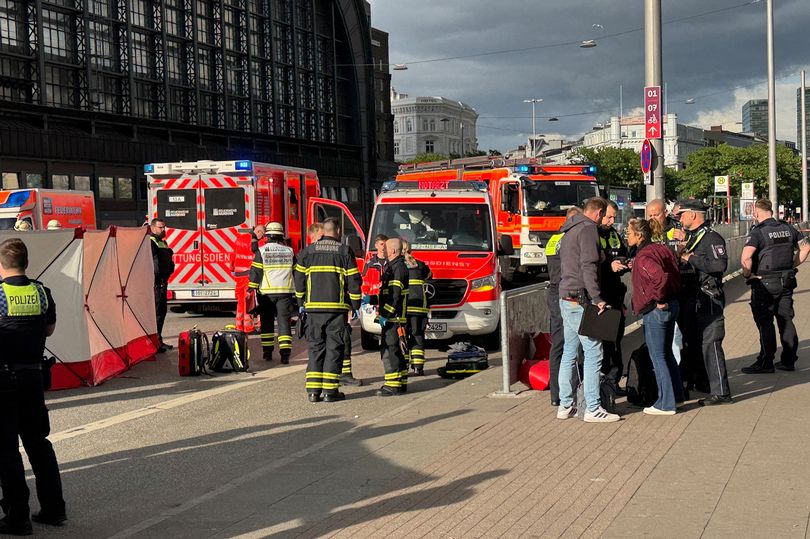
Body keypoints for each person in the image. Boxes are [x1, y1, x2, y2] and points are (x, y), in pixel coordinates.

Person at [0, 238, 66, 535]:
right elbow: (49, 329)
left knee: (7, 450)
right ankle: (54, 509)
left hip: (3, 380)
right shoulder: (40, 291)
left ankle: (18, 516)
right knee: (39, 443)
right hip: (34, 377)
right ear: (25, 263)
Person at [557, 197, 620, 422]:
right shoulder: (588, 229)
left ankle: (565, 405)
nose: (607, 220)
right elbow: (588, 265)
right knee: (594, 352)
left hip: (566, 297)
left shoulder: (570, 229)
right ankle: (592, 408)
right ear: (598, 213)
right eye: (606, 215)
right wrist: (597, 298)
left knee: (569, 352)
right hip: (581, 299)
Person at [294, 218, 361, 402]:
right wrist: (355, 305)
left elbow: (298, 280)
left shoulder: (308, 252)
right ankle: (330, 392)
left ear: (322, 231)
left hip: (313, 310)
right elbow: (354, 281)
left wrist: (301, 302)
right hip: (336, 310)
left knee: (315, 348)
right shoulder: (344, 251)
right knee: (334, 348)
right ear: (338, 231)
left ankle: (313, 392)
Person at [741, 199, 810, 373]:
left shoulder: (758, 232)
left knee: (765, 323)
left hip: (764, 282)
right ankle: (788, 361)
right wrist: (792, 266)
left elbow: (746, 258)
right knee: (786, 320)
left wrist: (747, 274)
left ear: (756, 213)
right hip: (786, 281)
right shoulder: (788, 228)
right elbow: (806, 248)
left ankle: (766, 363)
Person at [675, 199, 732, 406]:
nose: (680, 219)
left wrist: (690, 258)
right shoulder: (693, 237)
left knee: (711, 345)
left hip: (709, 299)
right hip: (693, 298)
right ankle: (702, 382)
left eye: (682, 215)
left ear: (693, 215)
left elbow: (719, 265)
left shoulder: (711, 238)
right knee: (694, 344)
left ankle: (722, 393)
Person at [626, 219, 684, 415]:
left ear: (639, 235)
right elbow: (673, 270)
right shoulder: (661, 249)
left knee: (657, 356)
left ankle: (665, 403)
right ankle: (676, 396)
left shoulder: (643, 257)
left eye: (629, 232)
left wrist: (659, 298)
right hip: (672, 304)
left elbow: (660, 277)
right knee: (667, 353)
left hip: (656, 309)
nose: (627, 235)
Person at [544, 206, 581, 406]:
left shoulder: (553, 239)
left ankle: (556, 395)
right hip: (566, 292)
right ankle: (570, 390)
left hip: (555, 290)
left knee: (558, 344)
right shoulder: (569, 239)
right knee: (571, 344)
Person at [250, 222, 295, 363]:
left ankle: (267, 353)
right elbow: (296, 271)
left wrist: (251, 289)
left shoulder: (262, 251)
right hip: (285, 293)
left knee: (267, 322)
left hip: (266, 295)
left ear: (267, 236)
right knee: (284, 323)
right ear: (281, 236)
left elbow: (256, 273)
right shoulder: (290, 251)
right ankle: (285, 354)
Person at [598, 200, 630, 391]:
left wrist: (625, 263)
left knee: (616, 342)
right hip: (601, 297)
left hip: (616, 295)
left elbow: (623, 252)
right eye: (608, 217)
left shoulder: (613, 234)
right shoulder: (592, 233)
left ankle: (614, 380)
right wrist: (609, 266)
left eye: (614, 218)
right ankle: (604, 382)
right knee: (603, 343)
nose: (611, 221)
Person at [376, 238, 409, 396]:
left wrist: (385, 314)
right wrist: (374, 299)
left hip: (394, 317)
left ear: (394, 251)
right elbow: (388, 293)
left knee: (390, 350)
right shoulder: (395, 266)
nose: (383, 250)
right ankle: (401, 381)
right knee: (397, 350)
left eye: (386, 248)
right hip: (395, 316)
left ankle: (392, 385)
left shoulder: (397, 268)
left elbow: (394, 296)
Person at [401, 239, 431, 376]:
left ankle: (404, 366)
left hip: (405, 307)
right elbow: (429, 276)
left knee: (403, 337)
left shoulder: (399, 266)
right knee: (417, 335)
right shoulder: (420, 265)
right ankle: (418, 367)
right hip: (420, 307)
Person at [149, 218, 175, 353]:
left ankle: (159, 340)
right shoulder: (151, 242)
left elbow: (168, 262)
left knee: (162, 313)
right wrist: (159, 278)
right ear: (153, 228)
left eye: (164, 227)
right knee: (157, 313)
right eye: (160, 227)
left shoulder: (162, 242)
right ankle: (155, 342)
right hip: (156, 283)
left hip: (163, 282)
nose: (163, 230)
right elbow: (154, 264)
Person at [230, 231, 256, 333]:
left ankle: (239, 325)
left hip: (239, 275)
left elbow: (233, 255)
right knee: (249, 301)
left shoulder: (238, 240)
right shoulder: (255, 242)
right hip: (249, 275)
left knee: (241, 301)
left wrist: (232, 268)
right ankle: (248, 326)